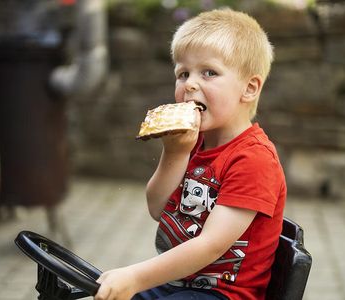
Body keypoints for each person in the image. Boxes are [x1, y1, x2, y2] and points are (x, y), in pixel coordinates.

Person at [95, 8, 286, 300]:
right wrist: (175, 152)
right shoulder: (191, 143)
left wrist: (135, 276)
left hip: (223, 294)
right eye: (183, 73)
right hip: (178, 282)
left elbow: (211, 245)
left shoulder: (254, 159)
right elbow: (157, 208)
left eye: (209, 72)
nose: (190, 84)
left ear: (249, 88)